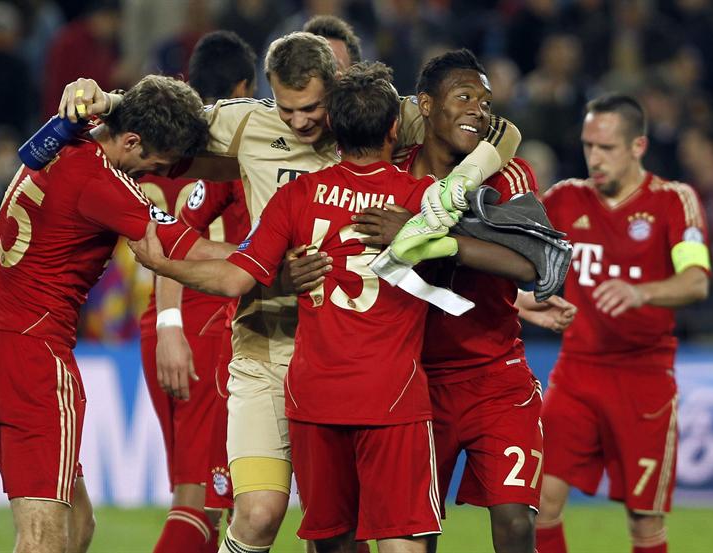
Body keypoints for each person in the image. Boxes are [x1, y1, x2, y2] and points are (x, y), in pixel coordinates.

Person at [57, 31, 521, 553]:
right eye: (287, 108)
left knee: (339, 531)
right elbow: (171, 120)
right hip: (266, 348)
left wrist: (459, 185)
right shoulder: (247, 125)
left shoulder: (379, 115)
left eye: (312, 108)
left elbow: (500, 131)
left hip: (345, 356)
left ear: (336, 89)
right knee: (259, 515)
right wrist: (108, 101)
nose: (300, 122)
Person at [293, 48, 576, 553]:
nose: (477, 111)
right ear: (425, 105)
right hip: (413, 381)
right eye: (464, 97)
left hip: (494, 375)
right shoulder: (390, 174)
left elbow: (534, 265)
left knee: (516, 523)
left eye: (485, 102)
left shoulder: (508, 175)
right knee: (409, 537)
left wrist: (434, 239)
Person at [0, 75, 232, 553]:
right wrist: (265, 258)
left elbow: (124, 109)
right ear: (131, 142)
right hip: (33, 359)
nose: (158, 174)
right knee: (43, 538)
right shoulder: (102, 182)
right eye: (156, 163)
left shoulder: (67, 137)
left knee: (78, 524)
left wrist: (105, 97)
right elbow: (180, 248)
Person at [534, 93, 711, 553]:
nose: (594, 158)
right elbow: (518, 261)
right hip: (576, 372)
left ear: (638, 146)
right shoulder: (565, 200)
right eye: (588, 145)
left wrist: (641, 292)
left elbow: (695, 281)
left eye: (607, 147)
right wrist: (523, 302)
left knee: (644, 522)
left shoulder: (674, 201)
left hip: (643, 377)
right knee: (540, 504)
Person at [139, 31, 255, 553]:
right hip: (206, 328)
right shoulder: (238, 148)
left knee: (213, 504)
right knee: (202, 502)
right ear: (246, 88)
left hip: (161, 321)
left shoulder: (161, 141)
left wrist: (166, 326)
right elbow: (181, 242)